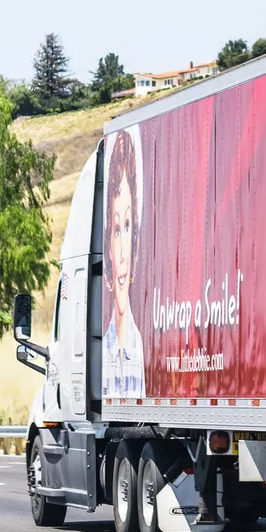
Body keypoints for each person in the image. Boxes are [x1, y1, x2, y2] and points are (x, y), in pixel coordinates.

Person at [102, 129, 145, 397]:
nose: (121, 253)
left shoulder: (138, 349)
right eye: (116, 229)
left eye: (127, 227)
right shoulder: (103, 351)